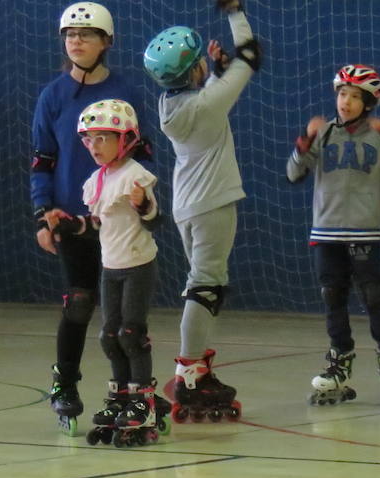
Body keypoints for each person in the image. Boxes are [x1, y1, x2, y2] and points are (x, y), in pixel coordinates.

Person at [31, 2, 148, 435]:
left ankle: (132, 392)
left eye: (86, 34)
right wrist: (44, 215)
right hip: (72, 216)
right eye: (69, 35)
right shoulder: (53, 96)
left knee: (123, 316)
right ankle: (65, 383)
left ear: (106, 42)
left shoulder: (126, 92)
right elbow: (42, 160)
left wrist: (142, 202)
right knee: (79, 303)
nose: (76, 41)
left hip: (117, 220)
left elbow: (142, 152)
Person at [143, 0, 262, 423]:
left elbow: (204, 94)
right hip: (211, 202)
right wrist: (235, 12)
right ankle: (189, 369)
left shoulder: (172, 105)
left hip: (190, 205)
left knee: (207, 285)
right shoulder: (206, 106)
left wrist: (212, 71)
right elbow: (251, 54)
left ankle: (194, 367)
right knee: (205, 286)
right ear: (190, 71)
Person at [287, 65, 380, 406]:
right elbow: (293, 174)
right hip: (326, 231)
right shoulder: (322, 134)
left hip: (365, 231)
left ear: (368, 102)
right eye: (341, 94)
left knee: (374, 297)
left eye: (353, 96)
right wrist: (304, 141)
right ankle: (338, 363)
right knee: (333, 297)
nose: (345, 102)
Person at [49, 99, 166, 446]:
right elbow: (98, 224)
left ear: (125, 139)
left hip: (137, 266)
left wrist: (142, 204)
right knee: (109, 336)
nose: (94, 146)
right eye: (89, 140)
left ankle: (143, 401)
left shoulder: (135, 176)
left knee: (131, 333)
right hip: (111, 268)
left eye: (103, 138)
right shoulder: (97, 180)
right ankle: (121, 397)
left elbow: (154, 220)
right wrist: (69, 225)